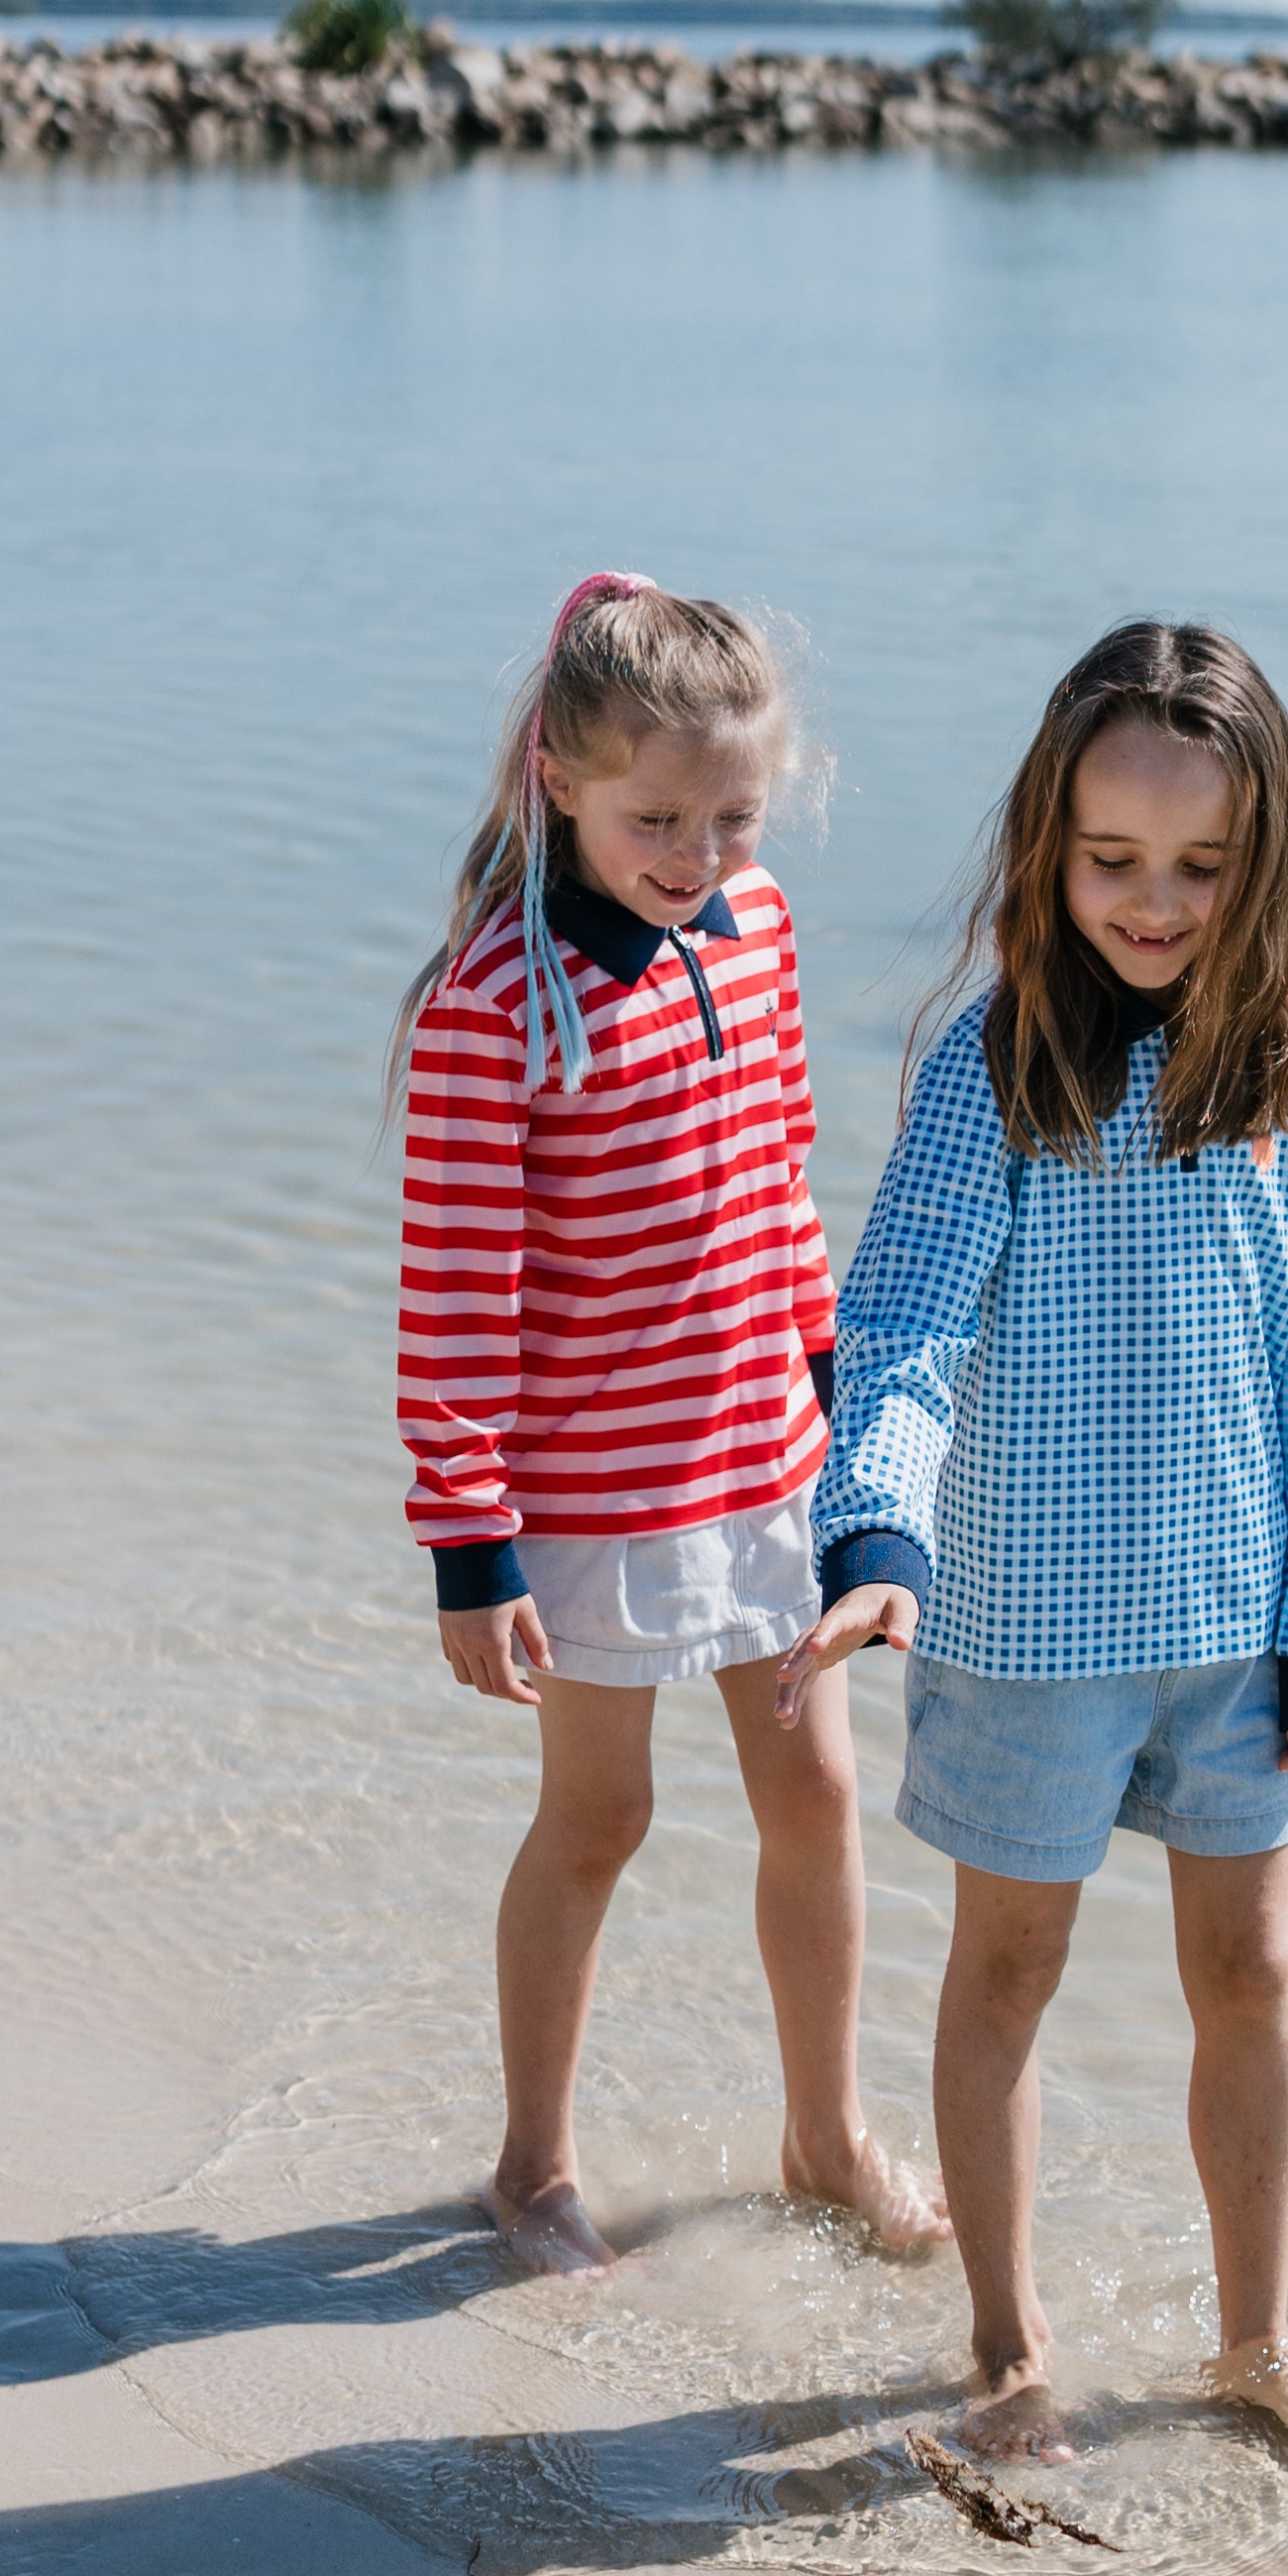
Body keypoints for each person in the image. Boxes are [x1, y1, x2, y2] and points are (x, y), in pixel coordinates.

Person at [778, 617, 1288, 2465]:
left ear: (1263, 860)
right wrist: (874, 1534)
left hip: (1234, 1625)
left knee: (1255, 1975)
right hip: (1024, 1625)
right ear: (1048, 844)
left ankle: (1257, 2338)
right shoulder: (997, 1067)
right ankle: (1001, 2340)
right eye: (1113, 858)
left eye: (1202, 866)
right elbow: (898, 1325)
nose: (1154, 900)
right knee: (1008, 1974)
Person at [394, 571, 946, 2275]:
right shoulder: (498, 1003)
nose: (699, 855)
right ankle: (533, 2162)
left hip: (763, 1460)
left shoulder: (757, 930)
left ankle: (824, 2126)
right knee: (600, 1819)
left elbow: (784, 1188)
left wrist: (840, 1402)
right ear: (558, 774)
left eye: (734, 815)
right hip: (596, 1494)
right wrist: (470, 1546)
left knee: (821, 1799)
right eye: (659, 817)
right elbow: (454, 1297)